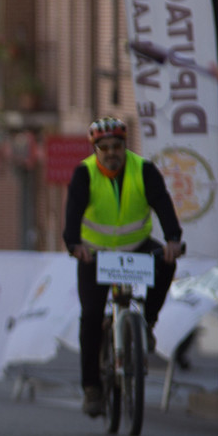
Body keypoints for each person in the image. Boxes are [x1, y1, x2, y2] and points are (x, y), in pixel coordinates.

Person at [62, 117, 183, 418]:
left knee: (167, 262)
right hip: (96, 253)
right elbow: (72, 216)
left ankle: (148, 323)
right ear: (95, 150)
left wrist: (172, 240)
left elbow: (164, 207)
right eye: (105, 148)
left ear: (125, 146)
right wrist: (74, 245)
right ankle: (91, 387)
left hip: (135, 246)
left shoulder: (144, 170)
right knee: (90, 316)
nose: (112, 153)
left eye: (117, 146)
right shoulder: (84, 173)